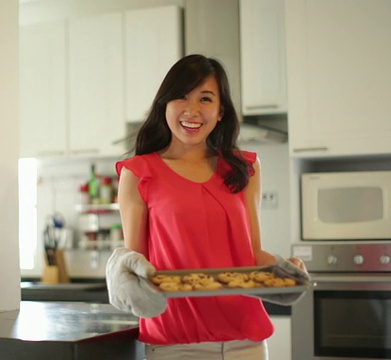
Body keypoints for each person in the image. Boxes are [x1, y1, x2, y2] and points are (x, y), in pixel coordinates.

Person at [105, 54, 309, 360]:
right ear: (165, 104)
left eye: (205, 98)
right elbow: (136, 264)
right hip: (175, 342)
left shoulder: (245, 168)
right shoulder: (138, 172)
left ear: (220, 110)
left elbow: (250, 254)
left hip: (246, 342)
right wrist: (118, 271)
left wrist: (286, 271)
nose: (192, 110)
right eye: (181, 97)